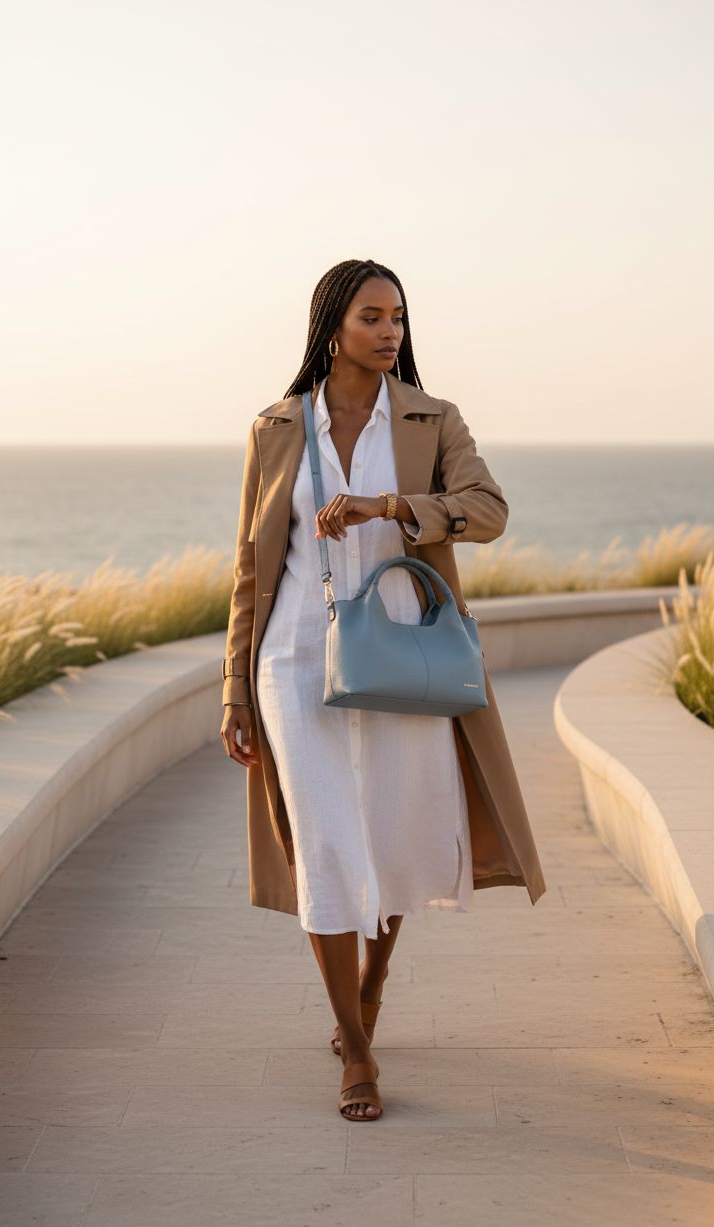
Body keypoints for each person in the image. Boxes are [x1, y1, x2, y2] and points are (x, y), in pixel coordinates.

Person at [220, 258, 546, 1122]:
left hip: (402, 649)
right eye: (372, 316)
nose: (390, 330)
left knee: (399, 829)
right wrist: (233, 690)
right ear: (334, 327)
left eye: (398, 316)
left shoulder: (432, 418)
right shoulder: (275, 427)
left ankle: (376, 974)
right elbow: (250, 567)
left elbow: (489, 509)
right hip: (293, 654)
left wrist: (394, 507)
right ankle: (356, 1049)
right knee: (324, 841)